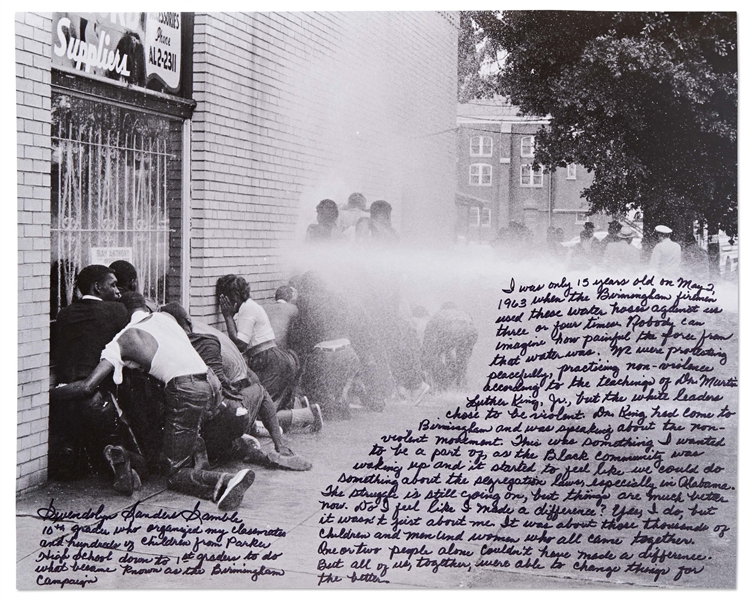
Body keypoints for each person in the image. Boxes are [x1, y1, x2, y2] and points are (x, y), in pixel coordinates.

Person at [51, 293, 255, 510]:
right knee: (183, 435)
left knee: (175, 474)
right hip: (210, 384)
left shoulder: (121, 340)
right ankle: (196, 460)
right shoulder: (165, 319)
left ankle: (225, 480)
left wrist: (46, 397)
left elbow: (87, 386)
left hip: (184, 389)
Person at [159, 302, 312, 471]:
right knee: (258, 393)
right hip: (216, 419)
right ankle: (281, 448)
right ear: (188, 322)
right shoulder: (205, 341)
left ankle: (243, 450)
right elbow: (221, 385)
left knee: (233, 431)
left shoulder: (161, 349)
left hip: (184, 431)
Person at [51, 264, 147, 490]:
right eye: (112, 285)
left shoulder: (64, 314)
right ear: (97, 287)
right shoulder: (116, 311)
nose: (117, 291)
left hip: (64, 397)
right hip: (96, 397)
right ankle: (119, 458)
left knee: (76, 458)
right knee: (139, 463)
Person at [217, 275, 299, 412]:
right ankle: (302, 408)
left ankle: (306, 415)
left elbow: (241, 344)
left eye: (227, 299)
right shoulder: (248, 307)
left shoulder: (247, 308)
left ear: (236, 295)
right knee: (265, 407)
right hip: (272, 358)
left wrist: (227, 316)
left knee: (259, 409)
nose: (225, 304)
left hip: (268, 360)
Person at [423, 302, 478, 392]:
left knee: (435, 356)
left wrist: (426, 356)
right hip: (471, 331)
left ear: (442, 308)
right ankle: (461, 384)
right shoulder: (463, 313)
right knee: (462, 361)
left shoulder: (438, 315)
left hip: (450, 329)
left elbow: (427, 343)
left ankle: (443, 382)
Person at [263, 286, 299, 350]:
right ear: (290, 297)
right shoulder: (293, 309)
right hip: (280, 349)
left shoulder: (264, 307)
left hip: (263, 346)